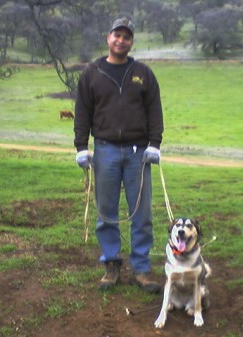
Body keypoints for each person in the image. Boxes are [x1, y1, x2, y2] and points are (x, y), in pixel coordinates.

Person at [74, 17, 164, 293]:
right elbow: (83, 112)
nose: (121, 40)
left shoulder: (143, 73)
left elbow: (154, 110)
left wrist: (155, 144)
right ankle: (111, 264)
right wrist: (81, 147)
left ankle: (141, 268)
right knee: (106, 213)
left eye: (126, 37)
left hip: (139, 153)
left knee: (141, 213)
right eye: (117, 35)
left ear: (131, 42)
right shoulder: (92, 73)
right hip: (105, 151)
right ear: (108, 38)